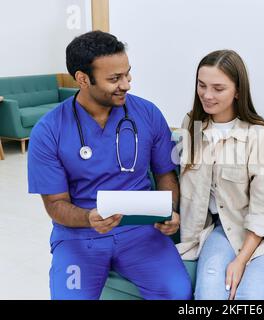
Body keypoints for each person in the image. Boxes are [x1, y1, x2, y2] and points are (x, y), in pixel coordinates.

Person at [27, 31, 192, 300]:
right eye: (114, 79)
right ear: (82, 79)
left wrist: (169, 211)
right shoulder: (49, 131)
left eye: (127, 74)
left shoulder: (148, 114)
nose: (126, 84)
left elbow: (165, 174)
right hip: (78, 236)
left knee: (177, 293)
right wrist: (88, 218)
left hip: (141, 231)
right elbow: (55, 204)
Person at [175, 50, 264, 300]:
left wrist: (241, 260)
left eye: (218, 88)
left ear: (238, 91)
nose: (207, 95)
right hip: (223, 230)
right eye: (202, 85)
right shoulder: (192, 125)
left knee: (248, 298)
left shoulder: (261, 136)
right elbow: (191, 190)